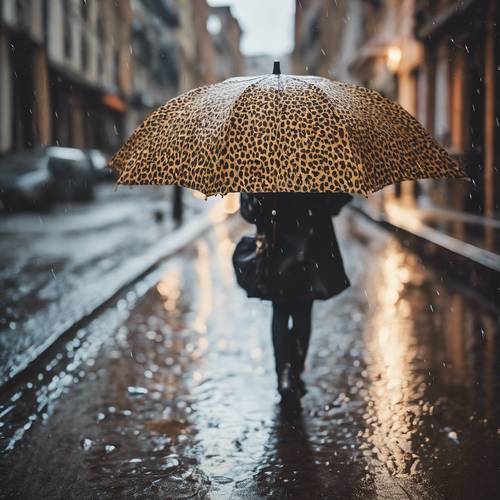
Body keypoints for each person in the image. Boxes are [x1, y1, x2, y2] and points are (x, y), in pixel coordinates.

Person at [238, 192, 352, 406]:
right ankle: (295, 372)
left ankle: (284, 374)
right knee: (302, 311)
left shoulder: (263, 166)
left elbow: (249, 211)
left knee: (280, 311)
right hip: (311, 246)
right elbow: (335, 204)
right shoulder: (319, 164)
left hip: (276, 243)